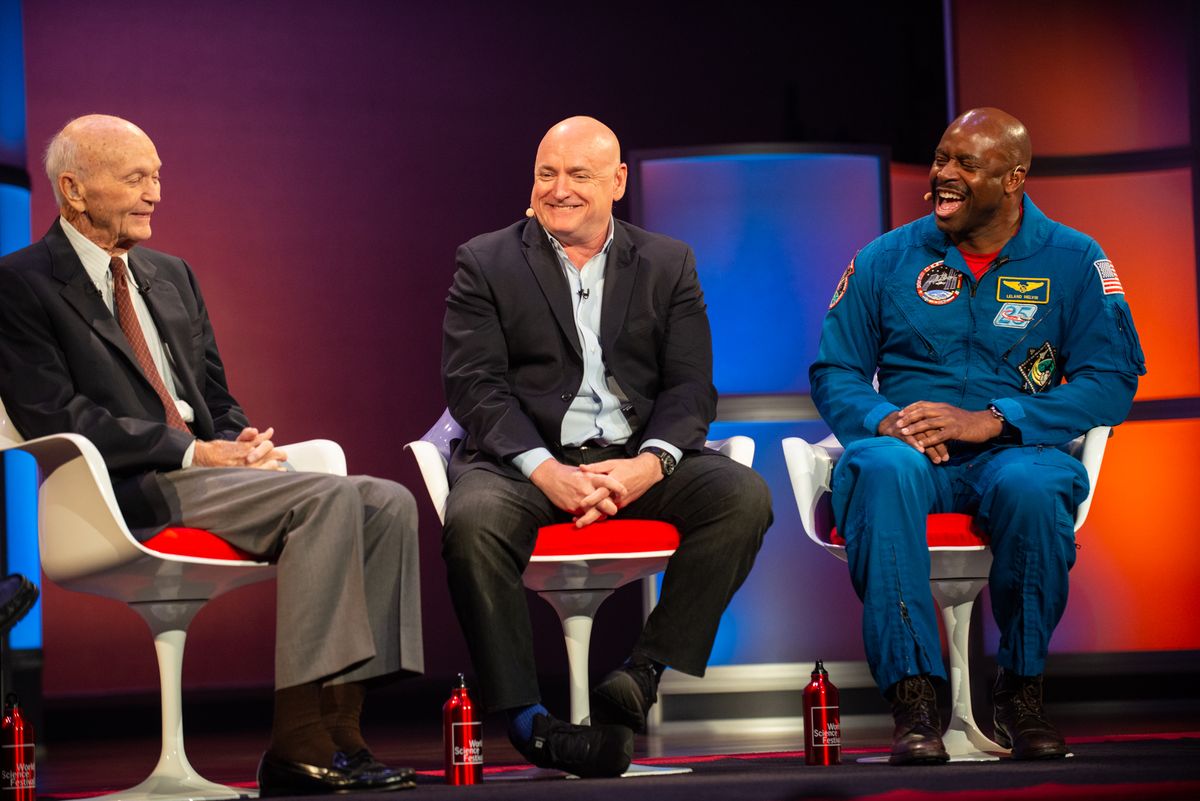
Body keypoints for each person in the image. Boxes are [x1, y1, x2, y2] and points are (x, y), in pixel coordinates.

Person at [0, 115, 423, 795]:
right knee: (333, 497)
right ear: (74, 190)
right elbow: (56, 414)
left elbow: (217, 397)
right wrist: (194, 452)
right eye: (136, 176)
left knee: (386, 499)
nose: (155, 193)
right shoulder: (22, 283)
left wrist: (241, 441)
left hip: (206, 471)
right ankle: (298, 743)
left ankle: (344, 736)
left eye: (158, 175)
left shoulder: (171, 274)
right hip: (128, 487)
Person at [810, 107, 1145, 764]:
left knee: (1033, 481)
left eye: (966, 164)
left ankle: (1021, 695)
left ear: (1014, 176)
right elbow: (835, 369)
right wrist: (886, 421)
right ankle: (915, 704)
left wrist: (994, 419)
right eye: (940, 159)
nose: (943, 175)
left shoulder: (1075, 259)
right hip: (911, 453)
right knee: (880, 468)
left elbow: (1112, 379)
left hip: (1012, 449)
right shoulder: (886, 258)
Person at [441, 116, 772, 777]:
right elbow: (474, 388)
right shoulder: (486, 259)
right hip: (525, 463)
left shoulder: (667, 261)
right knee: (471, 522)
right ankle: (531, 721)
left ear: (618, 181)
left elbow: (689, 388)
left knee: (742, 497)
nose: (559, 189)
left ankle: (642, 673)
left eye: (579, 175)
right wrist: (545, 470)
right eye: (546, 173)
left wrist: (649, 465)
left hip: (632, 455)